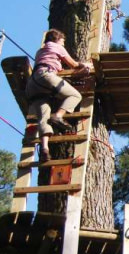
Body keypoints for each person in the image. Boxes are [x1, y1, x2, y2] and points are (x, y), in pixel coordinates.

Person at [26, 29, 92, 162]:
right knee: (75, 95)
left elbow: (55, 65)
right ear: (57, 39)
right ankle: (58, 116)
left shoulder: (41, 51)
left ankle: (45, 148)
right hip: (46, 76)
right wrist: (85, 65)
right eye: (63, 41)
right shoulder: (56, 46)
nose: (63, 44)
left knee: (43, 119)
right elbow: (73, 64)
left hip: (32, 85)